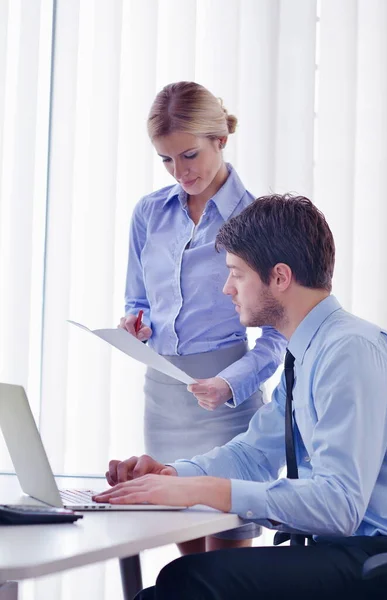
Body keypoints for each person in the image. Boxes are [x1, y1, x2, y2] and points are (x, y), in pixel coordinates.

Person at [96, 194, 387, 599]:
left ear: (279, 277)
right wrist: (174, 475)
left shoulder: (351, 350)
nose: (226, 289)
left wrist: (202, 491)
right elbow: (254, 455)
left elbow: (338, 505)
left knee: (188, 581)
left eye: (236, 274)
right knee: (177, 581)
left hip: (376, 561)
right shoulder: (307, 352)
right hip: (342, 552)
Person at [118, 81, 286, 553]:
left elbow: (278, 335)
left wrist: (231, 384)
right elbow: (137, 301)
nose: (179, 172)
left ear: (221, 139)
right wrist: (136, 324)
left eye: (189, 155)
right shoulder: (149, 213)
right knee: (187, 568)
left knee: (227, 568)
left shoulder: (256, 219)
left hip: (226, 405)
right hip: (164, 399)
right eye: (166, 160)